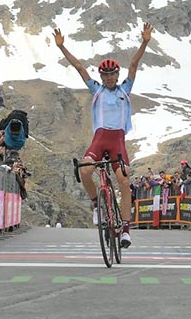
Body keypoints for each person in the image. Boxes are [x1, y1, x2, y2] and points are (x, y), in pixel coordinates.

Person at [54, 22, 152, 249]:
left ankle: (126, 229)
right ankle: (97, 205)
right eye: (105, 75)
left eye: (112, 75)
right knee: (85, 171)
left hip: (117, 141)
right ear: (102, 76)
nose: (109, 78)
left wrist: (145, 42)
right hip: (99, 140)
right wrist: (61, 47)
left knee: (125, 181)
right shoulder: (96, 89)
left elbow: (135, 64)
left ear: (117, 75)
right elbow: (79, 67)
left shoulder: (124, 90)